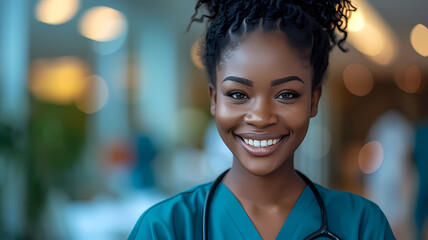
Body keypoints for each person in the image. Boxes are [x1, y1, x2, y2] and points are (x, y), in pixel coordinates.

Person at [128, 0, 396, 239]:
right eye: (237, 94)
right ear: (214, 100)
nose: (261, 117)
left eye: (287, 94)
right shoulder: (164, 228)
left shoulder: (362, 225)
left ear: (313, 100)